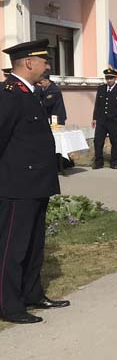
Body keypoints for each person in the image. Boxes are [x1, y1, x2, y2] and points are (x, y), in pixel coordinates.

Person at [0, 40, 68, 324]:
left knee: (33, 245)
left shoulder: (30, 92)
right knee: (12, 248)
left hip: (36, 183)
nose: (48, 65)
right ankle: (9, 305)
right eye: (44, 60)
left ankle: (32, 293)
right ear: (29, 62)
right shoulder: (10, 94)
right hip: (17, 185)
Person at [92, 67, 117, 169]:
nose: (109, 80)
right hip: (101, 120)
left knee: (115, 142)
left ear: (115, 78)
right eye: (107, 78)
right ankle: (98, 161)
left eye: (111, 78)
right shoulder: (101, 89)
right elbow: (97, 105)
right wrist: (94, 118)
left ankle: (114, 162)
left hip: (114, 120)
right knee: (98, 141)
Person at [36, 72, 70, 170]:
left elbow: (47, 103)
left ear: (47, 81)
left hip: (57, 119)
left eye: (41, 82)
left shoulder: (54, 90)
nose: (40, 85)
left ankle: (61, 164)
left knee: (57, 142)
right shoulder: (45, 89)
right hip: (50, 119)